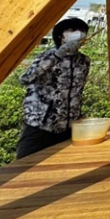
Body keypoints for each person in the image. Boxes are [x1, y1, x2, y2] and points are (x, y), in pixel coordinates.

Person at [17, 18, 91, 159]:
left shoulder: (84, 61)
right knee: (24, 166)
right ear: (60, 36)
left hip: (69, 127)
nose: (77, 33)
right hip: (40, 126)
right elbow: (26, 79)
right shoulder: (47, 56)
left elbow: (78, 91)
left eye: (81, 30)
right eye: (71, 30)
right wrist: (57, 56)